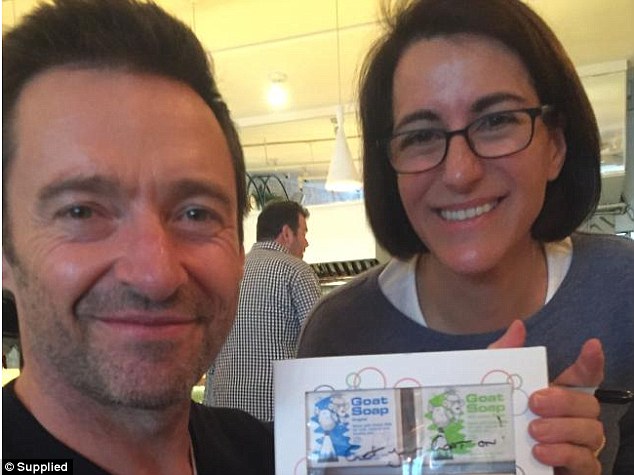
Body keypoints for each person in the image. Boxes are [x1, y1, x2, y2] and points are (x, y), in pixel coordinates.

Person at [297, 0, 634, 474]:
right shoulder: (341, 333)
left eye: (496, 121)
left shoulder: (622, 289)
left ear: (555, 146)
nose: (460, 172)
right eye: (420, 136)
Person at [1, 0, 274, 473]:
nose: (156, 275)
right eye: (82, 211)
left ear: (239, 249)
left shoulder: (271, 455)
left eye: (195, 213)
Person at [206, 200, 321, 421]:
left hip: (222, 413)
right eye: (304, 233)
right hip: (277, 413)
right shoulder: (297, 271)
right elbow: (319, 342)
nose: (306, 242)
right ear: (286, 233)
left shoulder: (228, 272)